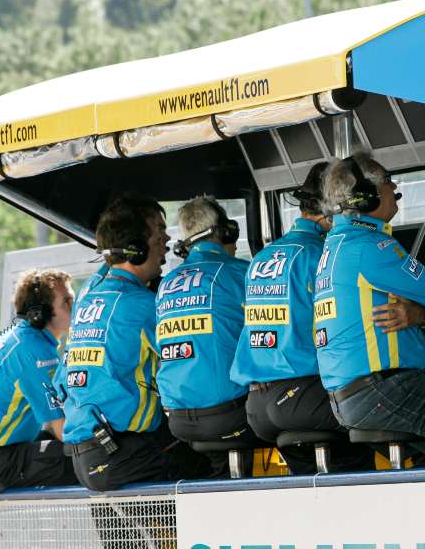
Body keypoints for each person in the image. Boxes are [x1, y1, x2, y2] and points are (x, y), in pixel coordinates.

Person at [314, 152, 425, 466]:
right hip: (382, 389)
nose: (394, 186)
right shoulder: (370, 247)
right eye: (388, 180)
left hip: (353, 396)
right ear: (366, 196)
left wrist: (421, 315)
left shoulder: (336, 245)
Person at [231, 162, 375, 474]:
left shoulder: (262, 257)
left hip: (258, 407)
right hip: (305, 397)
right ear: (334, 205)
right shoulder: (324, 254)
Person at [62, 195, 209, 491]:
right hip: (127, 451)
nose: (167, 239)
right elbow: (192, 360)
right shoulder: (140, 305)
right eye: (159, 230)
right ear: (136, 249)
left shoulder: (89, 292)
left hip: (87, 454)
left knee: (128, 541)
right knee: (210, 463)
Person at [156, 196, 254, 475]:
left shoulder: (166, 284)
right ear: (226, 231)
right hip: (230, 415)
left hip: (179, 422)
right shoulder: (240, 273)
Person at [0, 269, 77, 493]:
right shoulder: (34, 350)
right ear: (38, 314)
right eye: (67, 302)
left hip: (4, 451)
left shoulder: (20, 338)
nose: (75, 307)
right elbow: (62, 430)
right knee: (89, 458)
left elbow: (51, 424)